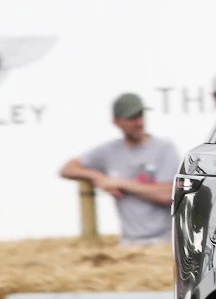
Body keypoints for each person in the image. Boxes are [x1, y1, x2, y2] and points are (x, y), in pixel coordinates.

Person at [58, 93, 180, 246]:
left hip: (166, 242)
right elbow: (67, 169)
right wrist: (96, 177)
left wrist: (120, 183)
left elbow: (169, 195)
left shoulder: (164, 148)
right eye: (132, 118)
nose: (139, 122)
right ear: (116, 122)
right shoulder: (110, 151)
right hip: (128, 243)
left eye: (141, 115)